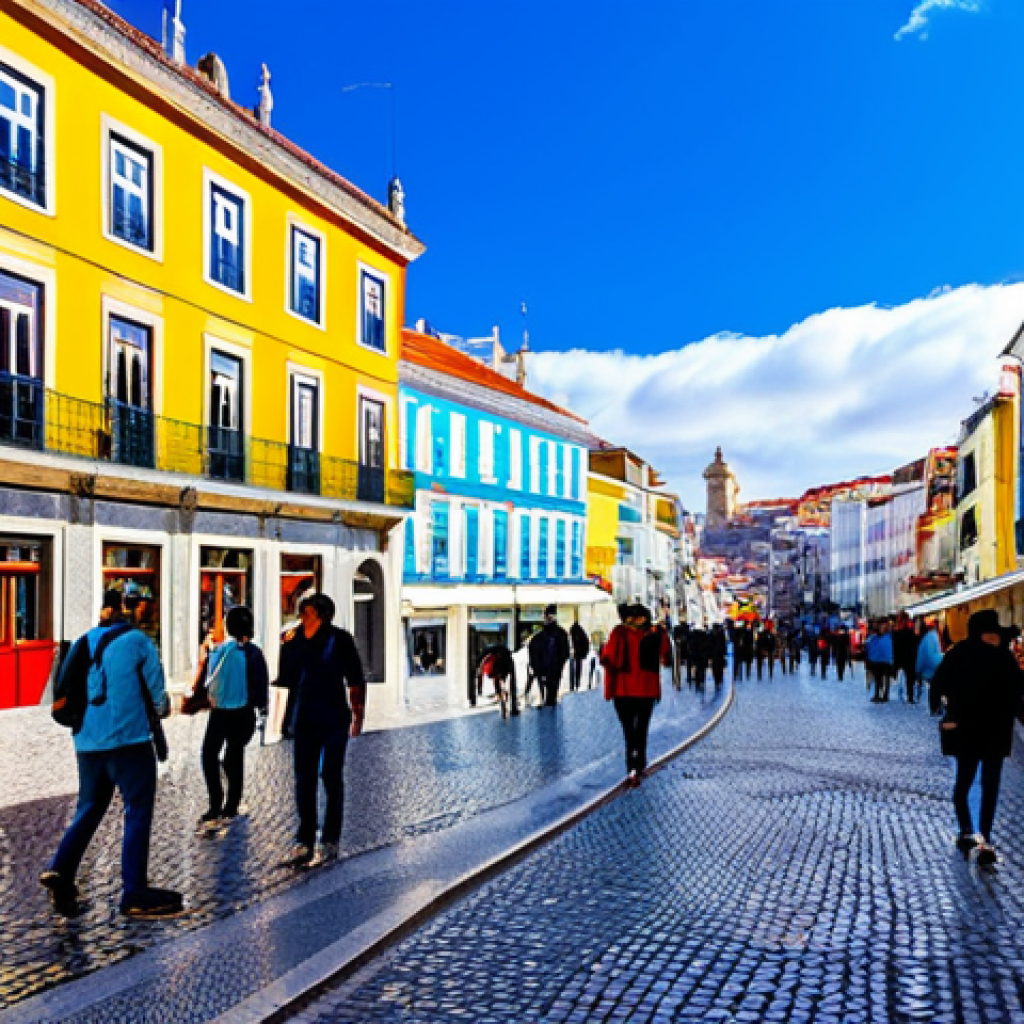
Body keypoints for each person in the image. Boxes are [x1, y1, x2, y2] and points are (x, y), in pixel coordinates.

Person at [41, 590, 181, 918]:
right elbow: (159, 701)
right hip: (129, 741)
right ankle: (133, 890)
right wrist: (163, 707)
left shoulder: (82, 642)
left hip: (87, 743)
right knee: (137, 809)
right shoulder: (138, 642)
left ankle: (61, 868)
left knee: (89, 806)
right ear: (126, 613)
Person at [275, 594, 365, 867]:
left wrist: (358, 715)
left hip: (334, 717)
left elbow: (355, 678)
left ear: (323, 616)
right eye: (301, 613)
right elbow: (286, 679)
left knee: (331, 777)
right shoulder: (293, 640)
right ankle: (304, 840)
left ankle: (330, 841)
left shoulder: (340, 640)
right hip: (304, 719)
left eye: (308, 614)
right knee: (304, 780)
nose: (303, 618)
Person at [933, 609, 1024, 865]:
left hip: (973, 731)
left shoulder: (961, 653)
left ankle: (974, 832)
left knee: (971, 784)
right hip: (987, 732)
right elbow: (1018, 688)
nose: (993, 638)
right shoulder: (999, 656)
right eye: (990, 633)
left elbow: (938, 682)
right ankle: (976, 833)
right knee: (980, 784)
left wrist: (943, 707)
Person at [196, 606, 269, 828]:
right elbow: (260, 685)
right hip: (243, 711)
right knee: (234, 755)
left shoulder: (220, 651)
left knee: (209, 754)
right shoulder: (254, 654)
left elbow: (207, 680)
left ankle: (215, 803)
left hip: (219, 712)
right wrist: (259, 707)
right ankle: (232, 804)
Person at [601, 604, 672, 786]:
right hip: (643, 691)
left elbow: (607, 657)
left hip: (624, 691)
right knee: (639, 729)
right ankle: (637, 763)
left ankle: (633, 765)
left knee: (630, 730)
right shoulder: (653, 632)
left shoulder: (620, 633)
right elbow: (666, 656)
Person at [528, 606, 570, 708]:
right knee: (552, 691)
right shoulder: (561, 633)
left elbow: (533, 653)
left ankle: (547, 704)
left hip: (546, 668)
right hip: (553, 668)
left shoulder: (539, 636)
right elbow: (566, 652)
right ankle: (549, 705)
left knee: (548, 690)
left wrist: (534, 665)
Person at [478, 643, 517, 718]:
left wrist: (480, 688)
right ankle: (509, 703)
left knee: (498, 683)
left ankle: (502, 700)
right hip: (505, 666)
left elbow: (481, 671)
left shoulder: (488, 654)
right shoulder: (505, 653)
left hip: (496, 669)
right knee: (506, 684)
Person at [916, 617, 944, 715]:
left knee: (933, 688)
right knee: (935, 688)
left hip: (929, 669)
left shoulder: (926, 638)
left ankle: (935, 707)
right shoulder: (933, 637)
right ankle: (936, 707)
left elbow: (922, 656)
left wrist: (918, 669)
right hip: (933, 668)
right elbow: (933, 654)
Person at [893, 612, 921, 704]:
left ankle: (903, 694)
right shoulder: (910, 632)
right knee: (909, 678)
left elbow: (895, 645)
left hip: (901, 657)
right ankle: (910, 696)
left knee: (902, 677)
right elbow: (916, 641)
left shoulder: (896, 632)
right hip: (909, 658)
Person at [569, 621, 590, 693]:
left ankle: (572, 685)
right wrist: (584, 654)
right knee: (577, 669)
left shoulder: (576, 634)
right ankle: (576, 684)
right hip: (579, 654)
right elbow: (586, 644)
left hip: (576, 654)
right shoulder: (581, 633)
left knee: (573, 670)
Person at [710, 623, 728, 690]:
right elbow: (724, 645)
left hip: (716, 655)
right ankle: (718, 680)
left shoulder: (713, 634)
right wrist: (725, 654)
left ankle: (717, 681)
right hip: (718, 655)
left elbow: (724, 645)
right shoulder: (721, 635)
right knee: (719, 669)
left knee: (716, 669)